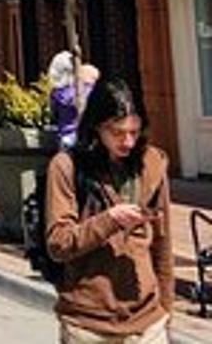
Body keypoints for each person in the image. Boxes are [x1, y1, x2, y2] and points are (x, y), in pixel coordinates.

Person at [46, 77, 173, 343]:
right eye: (117, 133)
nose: (128, 142)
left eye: (134, 132)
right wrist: (110, 220)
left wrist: (166, 309)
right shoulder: (67, 166)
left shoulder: (152, 163)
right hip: (88, 322)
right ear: (97, 127)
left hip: (148, 321)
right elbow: (59, 243)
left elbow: (162, 244)